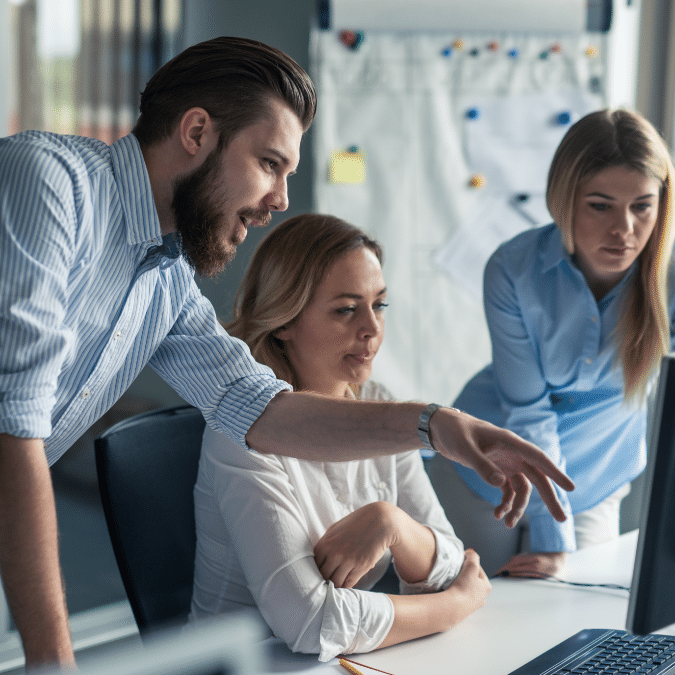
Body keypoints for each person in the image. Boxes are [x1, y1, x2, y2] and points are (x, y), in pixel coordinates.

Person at [0, 36, 572, 669]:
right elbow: (14, 428)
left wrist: (436, 426)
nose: (280, 200)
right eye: (270, 163)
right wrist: (54, 664)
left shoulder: (163, 279)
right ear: (197, 132)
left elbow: (265, 414)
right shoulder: (50, 184)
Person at [189, 214, 492, 660]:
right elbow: (312, 622)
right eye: (346, 309)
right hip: (240, 666)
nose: (371, 328)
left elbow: (448, 562)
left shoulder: (379, 403)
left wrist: (392, 524)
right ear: (284, 321)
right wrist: (455, 607)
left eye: (380, 305)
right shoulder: (240, 432)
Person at [429, 108, 675, 579]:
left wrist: (560, 546)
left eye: (642, 206)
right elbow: (529, 413)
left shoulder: (669, 281)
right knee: (472, 608)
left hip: (595, 478)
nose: (623, 229)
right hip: (488, 469)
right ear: (565, 199)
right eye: (600, 205)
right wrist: (552, 539)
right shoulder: (512, 268)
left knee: (583, 620)